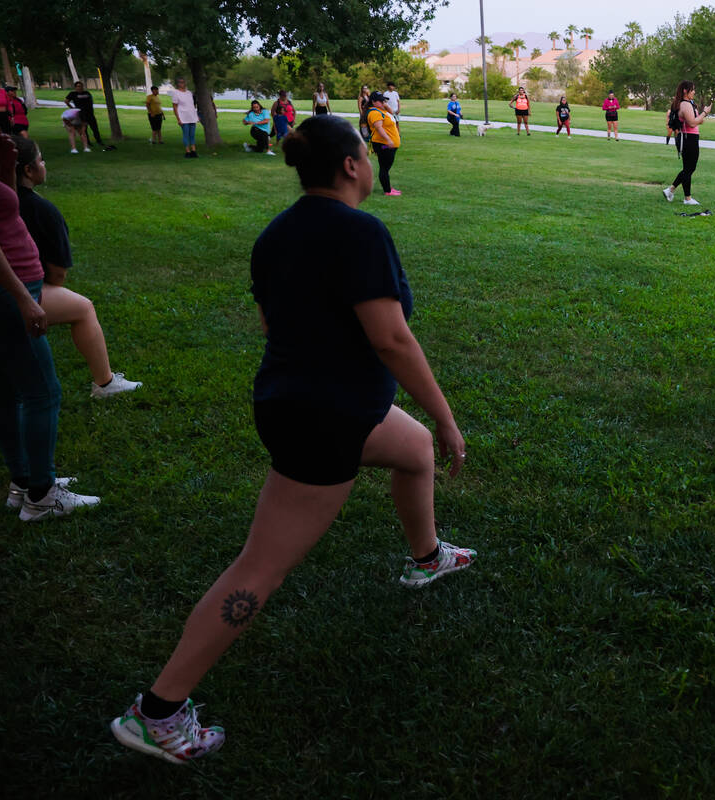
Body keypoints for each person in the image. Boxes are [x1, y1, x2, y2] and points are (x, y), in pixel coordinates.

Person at [109, 113, 475, 764]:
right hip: (323, 418)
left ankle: (427, 558)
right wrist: (446, 414)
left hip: (302, 402)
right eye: (364, 151)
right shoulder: (360, 232)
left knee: (413, 449)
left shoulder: (277, 234)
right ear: (352, 165)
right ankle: (157, 713)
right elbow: (390, 338)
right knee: (262, 566)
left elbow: (270, 324)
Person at [0, 135, 102, 520]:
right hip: (2, 291)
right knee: (42, 393)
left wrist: (1, 164)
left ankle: (24, 484)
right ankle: (41, 496)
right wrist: (21, 296)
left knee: (4, 389)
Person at [14, 138, 142, 398]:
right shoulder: (43, 211)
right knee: (83, 308)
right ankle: (105, 384)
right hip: (15, 292)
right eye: (40, 159)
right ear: (28, 170)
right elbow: (58, 276)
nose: (44, 164)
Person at [662, 81, 711, 206]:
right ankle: (687, 198)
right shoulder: (685, 105)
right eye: (692, 89)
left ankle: (671, 190)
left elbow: (698, 121)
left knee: (688, 169)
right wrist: (704, 113)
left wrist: (699, 118)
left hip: (689, 138)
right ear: (685, 90)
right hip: (688, 139)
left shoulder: (688, 104)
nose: (694, 92)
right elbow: (693, 123)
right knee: (689, 169)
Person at [366, 90, 401, 196]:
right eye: (380, 101)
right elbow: (379, 128)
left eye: (384, 101)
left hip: (388, 144)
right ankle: (388, 191)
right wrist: (389, 140)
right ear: (373, 102)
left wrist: (384, 104)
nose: (383, 103)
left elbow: (392, 113)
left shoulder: (382, 111)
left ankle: (388, 188)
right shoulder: (374, 113)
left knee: (385, 167)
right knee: (384, 167)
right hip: (384, 145)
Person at [65, 80, 112, 150]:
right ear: (75, 87)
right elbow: (66, 101)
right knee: (84, 130)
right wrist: (72, 108)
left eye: (81, 86)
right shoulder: (73, 94)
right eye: (78, 86)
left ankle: (99, 141)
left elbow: (91, 101)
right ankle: (88, 142)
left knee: (95, 128)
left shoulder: (87, 93)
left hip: (90, 113)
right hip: (81, 114)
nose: (80, 88)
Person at [171, 78, 199, 159]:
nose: (183, 84)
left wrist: (196, 116)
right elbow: (175, 107)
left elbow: (192, 105)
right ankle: (188, 151)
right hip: (183, 118)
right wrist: (178, 119)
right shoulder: (176, 93)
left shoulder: (189, 93)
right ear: (178, 84)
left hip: (192, 117)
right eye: (181, 82)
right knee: (186, 135)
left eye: (184, 82)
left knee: (192, 135)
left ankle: (194, 151)